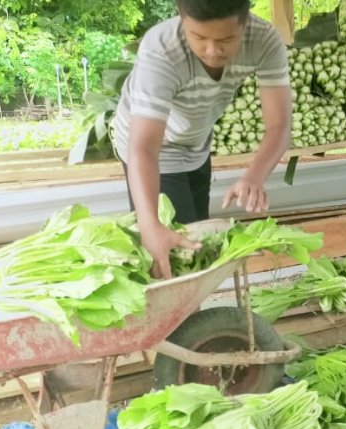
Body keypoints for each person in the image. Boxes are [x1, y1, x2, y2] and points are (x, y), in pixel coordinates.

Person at [113, 0, 293, 279]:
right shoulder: (161, 49)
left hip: (197, 144)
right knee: (172, 255)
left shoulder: (265, 39)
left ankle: (191, 314)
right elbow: (144, 148)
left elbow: (279, 125)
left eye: (226, 39)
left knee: (195, 244)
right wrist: (149, 225)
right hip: (149, 148)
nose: (212, 51)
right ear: (181, 18)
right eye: (198, 37)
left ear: (245, 23)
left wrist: (253, 178)